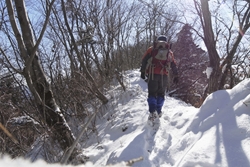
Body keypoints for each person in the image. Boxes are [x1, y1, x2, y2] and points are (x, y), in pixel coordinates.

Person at [140, 35, 178, 124]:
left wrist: (142, 72)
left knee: (152, 93)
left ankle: (152, 112)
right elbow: (173, 64)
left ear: (157, 41)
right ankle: (159, 111)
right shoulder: (169, 52)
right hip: (164, 75)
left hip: (152, 74)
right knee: (161, 94)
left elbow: (144, 60)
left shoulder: (151, 49)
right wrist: (176, 75)